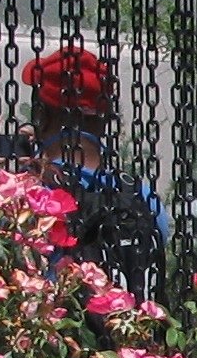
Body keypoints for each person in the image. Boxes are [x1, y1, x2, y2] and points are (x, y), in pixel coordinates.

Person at [21, 45, 168, 302]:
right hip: (124, 336)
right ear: (103, 121)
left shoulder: (26, 198)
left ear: (40, 116)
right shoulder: (142, 197)